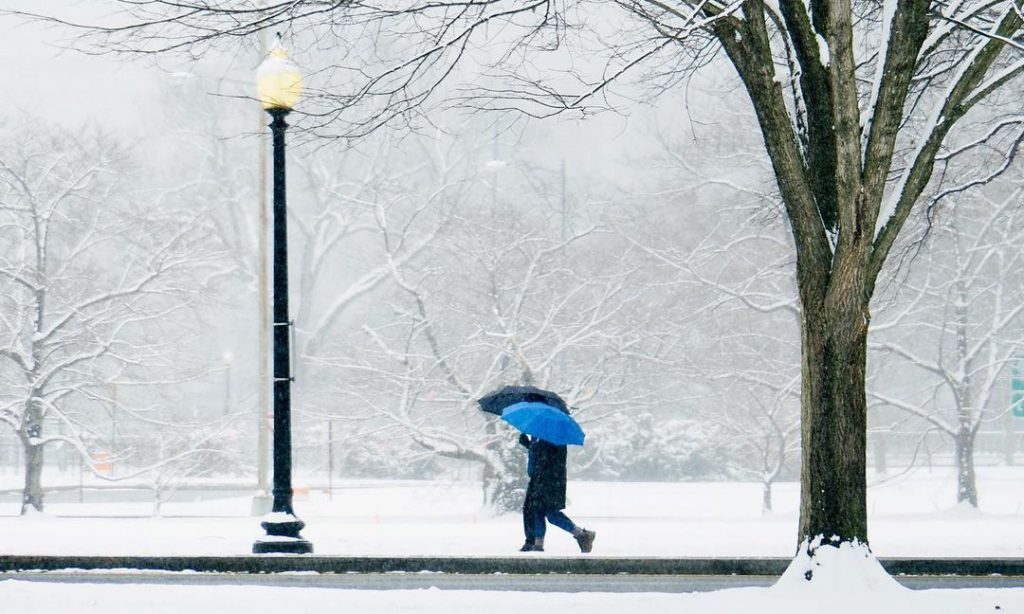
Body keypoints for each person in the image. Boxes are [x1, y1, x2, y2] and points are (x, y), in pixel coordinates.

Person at [518, 432, 596, 553]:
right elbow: (535, 461)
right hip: (537, 480)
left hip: (550, 481)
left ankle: (582, 535)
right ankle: (537, 544)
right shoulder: (537, 434)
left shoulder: (555, 435)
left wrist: (533, 447)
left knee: (551, 514)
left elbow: (551, 458)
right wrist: (529, 445)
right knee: (535, 511)